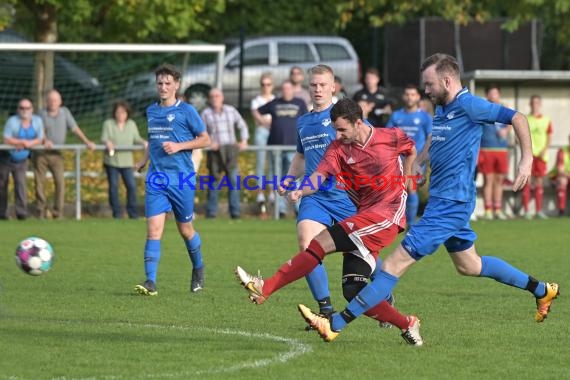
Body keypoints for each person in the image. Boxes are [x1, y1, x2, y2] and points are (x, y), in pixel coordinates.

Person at [295, 53, 558, 343]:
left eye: (429, 84)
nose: (426, 90)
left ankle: (335, 324)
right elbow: (437, 137)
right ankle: (542, 290)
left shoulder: (470, 105)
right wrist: (419, 161)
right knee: (470, 265)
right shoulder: (445, 108)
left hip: (450, 205)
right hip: (444, 202)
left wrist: (525, 161)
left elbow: (516, 118)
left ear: (447, 80)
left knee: (393, 265)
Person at [236, 97, 424, 346]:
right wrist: (300, 191)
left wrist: (409, 175)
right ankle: (408, 324)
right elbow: (318, 176)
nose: (337, 134)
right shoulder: (337, 149)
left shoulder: (389, 136)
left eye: (342, 129)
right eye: (335, 129)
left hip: (388, 214)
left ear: (358, 123)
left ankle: (266, 287)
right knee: (352, 290)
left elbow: (410, 148)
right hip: (364, 216)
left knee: (319, 243)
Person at [133, 64, 211, 296]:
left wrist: (179, 146)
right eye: (160, 83)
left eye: (168, 83)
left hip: (182, 179)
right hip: (156, 179)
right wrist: (144, 159)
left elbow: (205, 139)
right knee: (153, 230)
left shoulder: (187, 111)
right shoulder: (151, 111)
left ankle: (198, 268)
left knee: (185, 230)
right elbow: (152, 139)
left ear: (176, 85)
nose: (164, 87)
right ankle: (150, 282)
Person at [35, 89, 96, 219]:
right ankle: (41, 211)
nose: (52, 103)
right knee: (40, 182)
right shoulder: (41, 113)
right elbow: (37, 129)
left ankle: (58, 212)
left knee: (60, 182)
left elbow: (75, 128)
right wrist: (45, 140)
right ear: (47, 101)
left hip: (57, 154)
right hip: (41, 154)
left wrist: (87, 141)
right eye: (50, 100)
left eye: (55, 100)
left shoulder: (65, 112)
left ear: (60, 102)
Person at [255, 80, 307, 217]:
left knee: (293, 177)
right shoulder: (275, 103)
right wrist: (263, 123)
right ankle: (280, 210)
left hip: (293, 147)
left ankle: (297, 208)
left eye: (288, 88)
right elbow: (257, 111)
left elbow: (307, 119)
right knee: (277, 178)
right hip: (275, 146)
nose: (286, 91)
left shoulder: (300, 102)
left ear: (292, 90)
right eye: (283, 89)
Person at [386, 84, 433, 226]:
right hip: (397, 160)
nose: (409, 97)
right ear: (403, 97)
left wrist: (423, 158)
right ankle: (398, 222)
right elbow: (388, 136)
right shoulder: (396, 115)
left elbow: (430, 137)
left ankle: (410, 224)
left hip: (415, 161)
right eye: (407, 94)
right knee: (397, 192)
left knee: (411, 189)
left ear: (418, 97)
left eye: (413, 94)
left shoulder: (424, 117)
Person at [201, 88, 248, 219]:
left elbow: (242, 125)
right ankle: (211, 213)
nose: (215, 98)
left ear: (222, 97)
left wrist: (243, 140)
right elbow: (200, 133)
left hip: (230, 150)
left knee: (233, 181)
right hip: (214, 151)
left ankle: (235, 213)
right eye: (212, 96)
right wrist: (209, 143)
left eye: (217, 96)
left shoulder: (231, 110)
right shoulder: (206, 113)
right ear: (209, 99)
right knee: (213, 183)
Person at [101, 100, 147, 219]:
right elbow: (104, 138)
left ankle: (133, 212)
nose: (120, 115)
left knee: (131, 186)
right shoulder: (108, 124)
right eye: (118, 112)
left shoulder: (131, 124)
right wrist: (108, 142)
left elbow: (136, 138)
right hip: (112, 162)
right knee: (114, 186)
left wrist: (144, 142)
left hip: (127, 162)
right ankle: (117, 213)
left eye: (123, 112)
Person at [1, 99, 44, 220]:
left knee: (20, 184)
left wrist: (29, 143)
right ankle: (1, 213)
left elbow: (40, 139)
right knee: (2, 185)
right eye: (22, 108)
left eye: (27, 108)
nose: (25, 111)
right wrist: (21, 142)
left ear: (32, 109)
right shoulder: (12, 121)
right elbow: (6, 139)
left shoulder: (37, 121)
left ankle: (21, 213)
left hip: (22, 159)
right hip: (6, 157)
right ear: (18, 109)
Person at [477, 85, 511, 220]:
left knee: (499, 180)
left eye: (496, 93)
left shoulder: (505, 109)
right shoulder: (483, 109)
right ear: (487, 95)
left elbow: (512, 122)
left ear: (499, 95)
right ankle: (488, 210)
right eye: (491, 93)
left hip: (501, 149)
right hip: (486, 149)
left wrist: (506, 130)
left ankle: (498, 209)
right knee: (488, 180)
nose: (493, 96)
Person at [522, 95, 553, 219]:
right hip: (529, 155)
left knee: (539, 182)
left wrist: (544, 150)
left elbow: (549, 136)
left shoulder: (546, 120)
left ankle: (539, 210)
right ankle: (526, 211)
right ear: (530, 104)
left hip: (541, 156)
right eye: (533, 102)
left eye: (537, 102)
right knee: (527, 181)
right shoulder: (525, 118)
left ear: (540, 104)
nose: (535, 105)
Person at [251, 73, 275, 218]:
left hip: (274, 132)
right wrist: (268, 122)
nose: (265, 87)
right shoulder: (256, 100)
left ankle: (272, 193)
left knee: (273, 163)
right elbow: (257, 116)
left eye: (268, 84)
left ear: (272, 86)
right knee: (260, 162)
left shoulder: (274, 99)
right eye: (263, 84)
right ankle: (260, 194)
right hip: (262, 131)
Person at [550, 134, 570, 217]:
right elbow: (560, 170)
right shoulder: (562, 151)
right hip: (558, 176)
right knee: (562, 180)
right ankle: (561, 210)